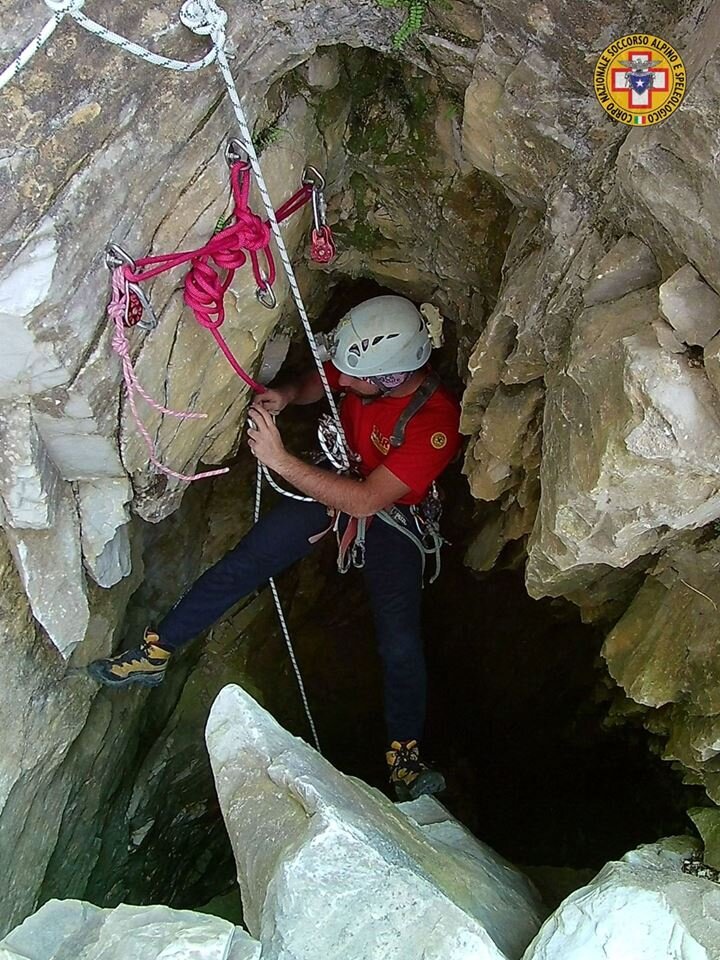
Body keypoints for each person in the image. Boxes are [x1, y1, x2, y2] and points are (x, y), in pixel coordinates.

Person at [88, 295, 461, 800]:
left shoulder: (434, 423)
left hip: (390, 513)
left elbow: (368, 500)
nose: (342, 381)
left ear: (392, 378)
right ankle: (158, 650)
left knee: (398, 636)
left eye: (353, 380)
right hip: (338, 479)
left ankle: (405, 759)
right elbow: (319, 381)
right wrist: (285, 395)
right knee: (252, 557)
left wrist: (280, 461)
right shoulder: (366, 366)